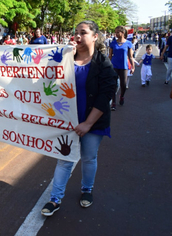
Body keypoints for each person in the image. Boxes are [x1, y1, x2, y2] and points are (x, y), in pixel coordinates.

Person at [40, 20, 116, 216]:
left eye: (83, 32)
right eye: (76, 33)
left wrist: (88, 123)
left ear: (94, 36)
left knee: (89, 158)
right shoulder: (65, 58)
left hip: (93, 120)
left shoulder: (103, 63)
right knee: (64, 159)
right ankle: (55, 199)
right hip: (68, 120)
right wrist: (64, 58)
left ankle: (86, 190)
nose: (78, 36)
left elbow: (107, 93)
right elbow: (47, 81)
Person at [109, 25, 135, 110]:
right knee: (113, 84)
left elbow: (130, 56)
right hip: (114, 66)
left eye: (117, 32)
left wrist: (133, 67)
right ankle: (113, 102)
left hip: (124, 66)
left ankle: (122, 96)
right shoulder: (113, 43)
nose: (115, 34)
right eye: (115, 32)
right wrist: (108, 66)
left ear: (122, 33)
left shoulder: (128, 43)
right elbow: (110, 56)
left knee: (123, 85)